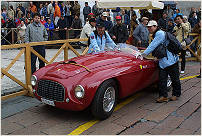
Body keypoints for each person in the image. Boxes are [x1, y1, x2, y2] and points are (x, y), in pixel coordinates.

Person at [141, 20, 181, 102]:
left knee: (174, 78)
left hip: (170, 60)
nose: (149, 28)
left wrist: (143, 54)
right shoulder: (158, 33)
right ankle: (163, 96)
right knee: (162, 79)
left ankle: (176, 94)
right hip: (164, 60)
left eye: (150, 27)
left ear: (155, 26)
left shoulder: (159, 34)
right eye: (148, 27)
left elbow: (153, 45)